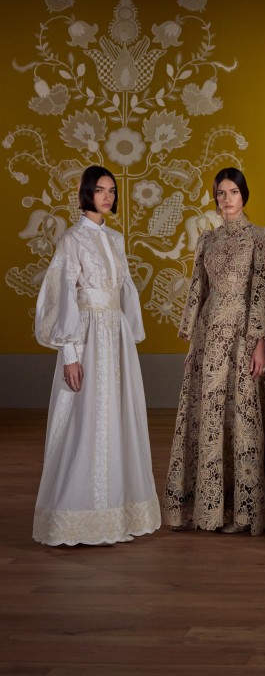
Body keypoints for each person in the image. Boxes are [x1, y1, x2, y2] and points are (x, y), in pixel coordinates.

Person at [163, 168, 265, 535]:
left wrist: (260, 344)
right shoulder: (207, 241)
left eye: (233, 192)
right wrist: (193, 341)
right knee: (210, 421)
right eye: (221, 193)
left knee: (243, 420)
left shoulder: (260, 238)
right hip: (210, 339)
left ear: (244, 196)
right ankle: (211, 509)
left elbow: (264, 292)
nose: (226, 199)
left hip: (243, 338)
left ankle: (247, 512)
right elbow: (198, 291)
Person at [32, 165, 161, 546]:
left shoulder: (117, 239)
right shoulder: (71, 240)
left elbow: (123, 293)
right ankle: (77, 513)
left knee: (117, 417)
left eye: (111, 190)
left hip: (115, 338)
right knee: (84, 420)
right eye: (100, 190)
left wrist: (126, 335)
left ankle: (117, 511)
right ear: (85, 193)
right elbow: (62, 296)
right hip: (86, 338)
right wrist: (70, 352)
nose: (107, 196)